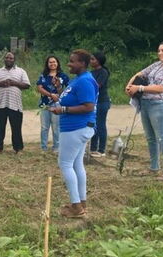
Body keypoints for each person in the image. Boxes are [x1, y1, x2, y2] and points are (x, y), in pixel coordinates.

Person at [49, 49, 98, 218]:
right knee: (77, 164)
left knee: (65, 164)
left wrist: (63, 109)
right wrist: (59, 94)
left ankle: (76, 207)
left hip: (75, 128)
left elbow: (88, 106)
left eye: (72, 61)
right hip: (77, 128)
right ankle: (80, 203)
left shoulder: (84, 81)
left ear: (82, 64)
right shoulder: (79, 80)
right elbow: (70, 98)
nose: (69, 64)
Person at [125, 41, 163, 181]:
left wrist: (139, 88)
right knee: (150, 137)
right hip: (145, 103)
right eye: (159, 50)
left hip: (160, 104)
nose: (160, 53)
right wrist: (130, 85)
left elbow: (162, 88)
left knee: (162, 137)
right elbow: (141, 73)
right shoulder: (158, 65)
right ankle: (154, 167)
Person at [0, 52, 30, 153]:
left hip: (15, 104)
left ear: (14, 60)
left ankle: (18, 148)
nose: (9, 59)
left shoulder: (21, 71)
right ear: (4, 59)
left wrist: (14, 83)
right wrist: (0, 83)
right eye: (7, 58)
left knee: (16, 127)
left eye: (11, 58)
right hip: (0, 103)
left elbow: (27, 85)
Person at [36, 55, 69, 152]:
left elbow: (68, 89)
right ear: (47, 64)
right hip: (45, 104)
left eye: (54, 62)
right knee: (44, 127)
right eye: (50, 62)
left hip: (58, 104)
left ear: (57, 63)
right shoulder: (43, 75)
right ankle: (43, 147)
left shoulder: (63, 76)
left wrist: (58, 93)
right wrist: (51, 94)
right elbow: (39, 88)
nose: (52, 64)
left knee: (56, 127)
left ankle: (56, 147)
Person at [89, 52, 111, 157]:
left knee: (100, 124)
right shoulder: (91, 72)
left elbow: (97, 85)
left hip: (102, 101)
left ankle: (101, 150)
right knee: (93, 125)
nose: (91, 61)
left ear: (99, 61)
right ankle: (93, 148)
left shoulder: (103, 72)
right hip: (93, 102)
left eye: (93, 59)